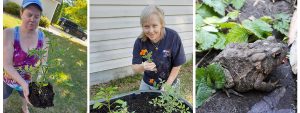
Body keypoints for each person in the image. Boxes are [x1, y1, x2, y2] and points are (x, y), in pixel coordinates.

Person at [3, 0, 48, 112]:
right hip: (8, 79)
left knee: (25, 97)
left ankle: (24, 107)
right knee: (3, 98)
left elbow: (44, 63)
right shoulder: (9, 34)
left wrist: (37, 84)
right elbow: (7, 65)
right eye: (29, 14)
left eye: (37, 16)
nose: (32, 19)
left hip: (28, 80)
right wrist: (24, 85)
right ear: (21, 13)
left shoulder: (43, 38)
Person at [132, 5, 186, 91]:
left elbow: (177, 65)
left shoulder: (173, 37)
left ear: (162, 24)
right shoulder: (140, 42)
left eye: (154, 26)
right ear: (142, 26)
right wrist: (143, 66)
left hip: (169, 82)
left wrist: (167, 85)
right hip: (148, 82)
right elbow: (135, 67)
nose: (151, 31)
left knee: (169, 104)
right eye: (146, 26)